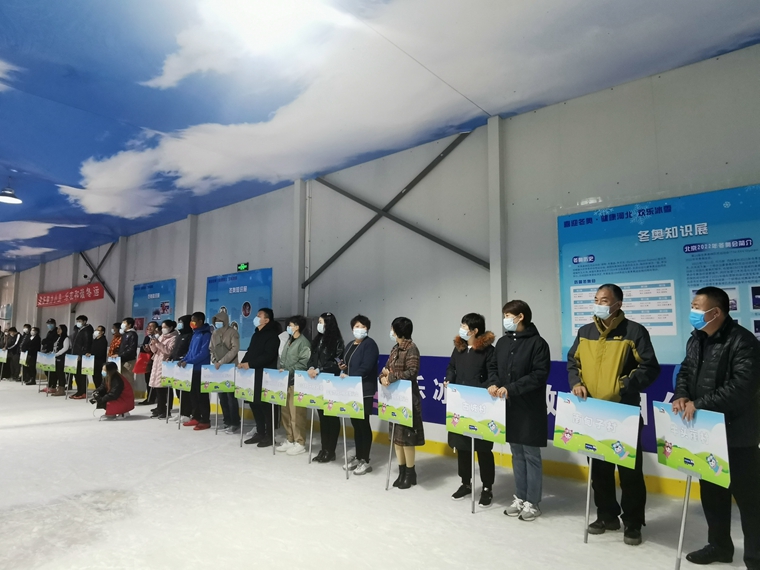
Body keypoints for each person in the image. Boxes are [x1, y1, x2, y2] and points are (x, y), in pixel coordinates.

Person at [672, 287, 760, 569]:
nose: (693, 312)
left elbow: (742, 386)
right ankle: (719, 546)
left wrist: (699, 403)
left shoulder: (742, 341)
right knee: (712, 494)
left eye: (698, 307)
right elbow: (686, 370)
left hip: (737, 434)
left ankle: (755, 558)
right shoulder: (696, 339)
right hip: (707, 433)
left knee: (750, 501)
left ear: (716, 312)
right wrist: (681, 395)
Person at [568, 283, 660, 546]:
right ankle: (606, 515)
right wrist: (576, 382)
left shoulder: (634, 331)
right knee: (599, 469)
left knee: (629, 472)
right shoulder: (585, 332)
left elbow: (649, 367)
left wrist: (621, 386)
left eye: (605, 300)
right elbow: (573, 362)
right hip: (593, 412)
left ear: (618, 304)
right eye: (596, 299)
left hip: (623, 412)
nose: (599, 304)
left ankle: (633, 522)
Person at [487, 300, 550, 521]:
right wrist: (493, 383)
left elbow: (539, 374)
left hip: (530, 408)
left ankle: (533, 502)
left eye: (508, 315)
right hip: (509, 407)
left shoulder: (538, 343)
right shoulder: (503, 342)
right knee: (517, 453)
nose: (505, 319)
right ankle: (520, 498)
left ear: (520, 316)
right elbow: (493, 367)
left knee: (531, 455)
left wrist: (511, 388)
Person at [445, 313, 496, 506]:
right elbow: (451, 367)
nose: (461, 329)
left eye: (465, 326)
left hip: (480, 404)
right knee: (463, 446)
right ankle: (465, 483)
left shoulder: (488, 351)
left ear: (475, 330)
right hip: (460, 403)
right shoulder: (458, 348)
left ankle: (487, 487)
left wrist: (487, 387)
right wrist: (449, 379)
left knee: (483, 448)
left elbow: (493, 373)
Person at [380, 317, 424, 489]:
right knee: (396, 439)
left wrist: (391, 377)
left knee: (407, 439)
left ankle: (410, 473)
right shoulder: (395, 348)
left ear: (398, 331)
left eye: (392, 329)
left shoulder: (411, 348)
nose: (391, 332)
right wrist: (383, 378)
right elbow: (385, 369)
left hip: (408, 400)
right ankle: (402, 470)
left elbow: (412, 372)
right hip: (394, 399)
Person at [340, 314, 379, 476]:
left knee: (363, 424)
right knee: (356, 424)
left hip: (364, 390)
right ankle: (358, 457)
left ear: (367, 328)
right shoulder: (350, 344)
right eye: (357, 326)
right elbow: (347, 361)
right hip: (351, 389)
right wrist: (342, 366)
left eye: (363, 326)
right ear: (352, 328)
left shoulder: (370, 344)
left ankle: (365, 460)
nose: (360, 329)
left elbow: (367, 367)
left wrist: (351, 376)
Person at [239, 308, 281, 447]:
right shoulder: (256, 334)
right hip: (252, 375)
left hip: (265, 375)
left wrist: (250, 364)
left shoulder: (272, 336)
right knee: (254, 403)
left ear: (266, 320)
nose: (256, 318)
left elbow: (268, 355)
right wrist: (243, 362)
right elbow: (250, 351)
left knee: (265, 406)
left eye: (259, 316)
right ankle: (260, 432)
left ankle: (270, 435)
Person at [308, 312, 345, 463]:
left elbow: (337, 362)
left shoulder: (337, 341)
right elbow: (312, 357)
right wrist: (311, 367)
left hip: (330, 382)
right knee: (322, 417)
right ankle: (324, 448)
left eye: (321, 322)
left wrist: (320, 369)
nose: (319, 325)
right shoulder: (318, 340)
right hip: (318, 383)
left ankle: (331, 450)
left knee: (331, 417)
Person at [277, 315, 311, 456]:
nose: (288, 328)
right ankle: (289, 438)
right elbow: (283, 358)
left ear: (297, 327)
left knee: (297, 414)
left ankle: (300, 441)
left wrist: (288, 370)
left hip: (296, 381)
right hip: (285, 381)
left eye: (290, 325)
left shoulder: (304, 343)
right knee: (286, 412)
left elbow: (303, 363)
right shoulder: (289, 340)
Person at [179, 312, 213, 431]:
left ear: (200, 321)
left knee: (202, 396)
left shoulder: (206, 334)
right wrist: (184, 359)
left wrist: (189, 361)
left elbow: (204, 353)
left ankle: (205, 420)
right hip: (191, 369)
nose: (191, 323)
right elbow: (190, 351)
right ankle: (196, 416)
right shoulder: (195, 334)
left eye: (193, 320)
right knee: (193, 395)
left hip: (201, 369)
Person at [209, 311, 240, 433]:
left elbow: (234, 349)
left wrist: (222, 362)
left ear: (225, 321)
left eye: (220, 321)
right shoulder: (215, 333)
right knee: (222, 396)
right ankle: (226, 421)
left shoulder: (233, 332)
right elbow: (211, 349)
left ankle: (235, 422)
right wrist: (214, 360)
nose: (217, 323)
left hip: (230, 367)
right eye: (216, 321)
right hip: (218, 368)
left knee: (231, 397)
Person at [149, 320, 178, 419]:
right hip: (157, 363)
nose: (163, 329)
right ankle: (159, 408)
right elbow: (155, 350)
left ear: (171, 328)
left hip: (165, 365)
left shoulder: (174, 338)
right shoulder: (161, 336)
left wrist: (159, 343)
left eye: (165, 327)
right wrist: (153, 344)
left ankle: (166, 410)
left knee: (165, 389)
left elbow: (169, 351)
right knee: (158, 388)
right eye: (162, 327)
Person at [169, 315, 193, 423]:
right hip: (176, 365)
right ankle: (182, 412)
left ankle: (187, 413)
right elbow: (176, 349)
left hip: (185, 366)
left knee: (185, 391)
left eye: (181, 322)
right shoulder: (180, 335)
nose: (179, 324)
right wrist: (171, 357)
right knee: (178, 390)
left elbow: (189, 351)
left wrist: (183, 359)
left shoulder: (190, 335)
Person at [70, 315, 94, 399]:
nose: (78, 323)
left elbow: (87, 344)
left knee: (81, 374)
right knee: (76, 374)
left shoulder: (87, 331)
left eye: (80, 321)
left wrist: (81, 355)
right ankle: (79, 390)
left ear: (84, 322)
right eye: (77, 321)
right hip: (75, 354)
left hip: (81, 356)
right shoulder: (78, 330)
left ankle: (83, 391)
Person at [137, 322, 159, 406]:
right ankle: (149, 398)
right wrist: (145, 349)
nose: (149, 328)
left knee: (154, 380)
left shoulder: (158, 337)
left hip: (155, 361)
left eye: (152, 326)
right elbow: (143, 349)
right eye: (148, 326)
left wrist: (150, 350)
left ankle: (154, 398)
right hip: (146, 360)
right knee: (148, 379)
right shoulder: (147, 337)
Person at [50, 324, 71, 397]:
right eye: (57, 329)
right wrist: (52, 353)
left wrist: (57, 354)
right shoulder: (58, 337)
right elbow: (55, 347)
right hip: (56, 357)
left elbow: (65, 348)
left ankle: (61, 389)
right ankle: (55, 387)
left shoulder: (66, 338)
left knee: (61, 373)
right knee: (56, 373)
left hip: (62, 358)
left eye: (60, 329)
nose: (58, 330)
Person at [118, 318, 139, 390]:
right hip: (122, 359)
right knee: (122, 379)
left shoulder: (132, 334)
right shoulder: (125, 334)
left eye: (124, 323)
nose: (122, 324)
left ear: (129, 325)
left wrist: (120, 355)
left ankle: (130, 394)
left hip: (129, 360)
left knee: (128, 379)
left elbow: (131, 349)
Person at [89, 326, 108, 390]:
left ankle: (101, 391)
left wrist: (92, 354)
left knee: (99, 377)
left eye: (98, 330)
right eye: (96, 329)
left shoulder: (103, 341)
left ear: (102, 332)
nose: (96, 331)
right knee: (94, 377)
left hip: (99, 362)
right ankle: (97, 389)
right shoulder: (95, 340)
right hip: (94, 361)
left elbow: (100, 352)